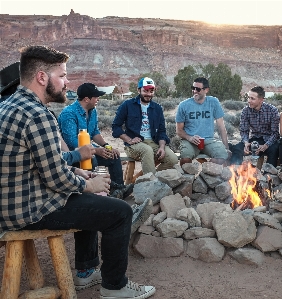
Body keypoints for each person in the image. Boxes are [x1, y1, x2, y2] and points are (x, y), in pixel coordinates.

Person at [0, 45, 155, 298]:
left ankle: (86, 272)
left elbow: (44, 160)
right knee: (119, 212)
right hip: (27, 210)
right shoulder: (37, 114)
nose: (67, 81)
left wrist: (81, 175)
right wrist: (87, 184)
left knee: (91, 201)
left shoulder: (12, 105)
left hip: (13, 202)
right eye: (62, 75)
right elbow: (55, 178)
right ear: (42, 77)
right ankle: (114, 287)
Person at [58, 82, 133, 199]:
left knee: (113, 155)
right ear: (87, 99)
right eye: (96, 96)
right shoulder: (69, 113)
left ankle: (118, 190)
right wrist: (96, 150)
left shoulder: (93, 111)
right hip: (74, 155)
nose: (98, 99)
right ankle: (94, 194)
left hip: (90, 150)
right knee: (92, 158)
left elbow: (95, 133)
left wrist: (106, 146)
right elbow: (71, 142)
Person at [112, 77, 178, 175]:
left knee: (172, 159)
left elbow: (161, 131)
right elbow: (115, 126)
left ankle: (148, 179)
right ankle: (151, 184)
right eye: (145, 91)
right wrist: (129, 140)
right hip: (133, 145)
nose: (148, 94)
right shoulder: (127, 105)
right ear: (138, 90)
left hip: (153, 142)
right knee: (147, 151)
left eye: (151, 91)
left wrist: (162, 146)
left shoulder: (157, 108)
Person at [176, 77, 230, 166]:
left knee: (222, 156)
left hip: (208, 140)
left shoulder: (213, 102)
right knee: (185, 159)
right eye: (193, 88)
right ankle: (189, 178)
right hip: (190, 141)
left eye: (198, 89)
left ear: (206, 90)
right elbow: (179, 131)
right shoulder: (183, 105)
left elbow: (221, 127)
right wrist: (190, 138)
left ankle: (205, 174)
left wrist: (226, 147)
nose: (194, 91)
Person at [229, 86, 280, 166]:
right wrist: (246, 142)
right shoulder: (246, 111)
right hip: (254, 139)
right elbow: (244, 130)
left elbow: (275, 133)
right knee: (237, 148)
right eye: (248, 98)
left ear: (261, 100)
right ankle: (234, 172)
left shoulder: (272, 110)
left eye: (252, 98)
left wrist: (266, 145)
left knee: (274, 150)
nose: (249, 101)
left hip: (269, 140)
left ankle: (269, 175)